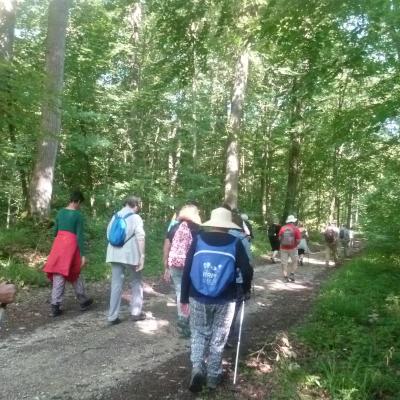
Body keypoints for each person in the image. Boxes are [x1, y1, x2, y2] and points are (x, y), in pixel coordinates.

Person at [180, 207, 253, 392]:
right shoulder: (235, 242)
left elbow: (187, 269)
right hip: (225, 298)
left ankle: (197, 368)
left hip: (197, 295)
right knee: (218, 337)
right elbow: (247, 269)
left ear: (211, 223)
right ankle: (213, 377)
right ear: (227, 225)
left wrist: (183, 298)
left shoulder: (198, 239)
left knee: (198, 333)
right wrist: (244, 290)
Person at [43, 190, 93, 317]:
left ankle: (56, 305)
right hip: (71, 246)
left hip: (59, 244)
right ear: (77, 201)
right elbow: (80, 236)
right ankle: (81, 300)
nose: (80, 206)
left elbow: (55, 231)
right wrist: (83, 254)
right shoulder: (78, 215)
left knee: (59, 273)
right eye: (80, 203)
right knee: (74, 271)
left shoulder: (60, 212)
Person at [106, 195, 146, 325]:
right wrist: (142, 256)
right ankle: (136, 312)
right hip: (130, 255)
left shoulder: (115, 216)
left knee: (116, 284)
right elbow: (140, 237)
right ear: (136, 205)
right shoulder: (136, 217)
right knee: (136, 281)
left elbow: (108, 234)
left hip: (113, 253)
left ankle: (112, 317)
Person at [163, 204, 201, 337]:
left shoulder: (173, 228)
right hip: (189, 264)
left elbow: (167, 247)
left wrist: (166, 266)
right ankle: (190, 320)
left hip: (174, 264)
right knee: (190, 292)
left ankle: (182, 318)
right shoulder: (196, 229)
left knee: (180, 291)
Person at [226, 211, 253, 348]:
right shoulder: (242, 239)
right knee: (232, 309)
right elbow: (247, 266)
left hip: (220, 279)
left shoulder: (220, 236)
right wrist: (247, 288)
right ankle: (227, 335)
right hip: (237, 280)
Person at [278, 215, 301, 282]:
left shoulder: (282, 228)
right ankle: (292, 274)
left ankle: (285, 277)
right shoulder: (295, 228)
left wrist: (283, 243)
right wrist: (295, 245)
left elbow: (279, 238)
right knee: (295, 261)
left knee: (284, 263)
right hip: (293, 248)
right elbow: (298, 240)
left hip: (283, 248)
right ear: (293, 221)